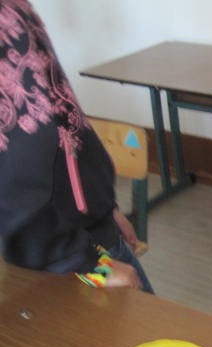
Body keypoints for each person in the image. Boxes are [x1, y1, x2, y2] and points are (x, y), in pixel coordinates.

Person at [0, 0, 153, 293]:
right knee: (148, 324)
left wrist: (102, 208)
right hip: (69, 253)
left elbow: (60, 119)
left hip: (80, 233)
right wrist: (88, 264)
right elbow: (14, 181)